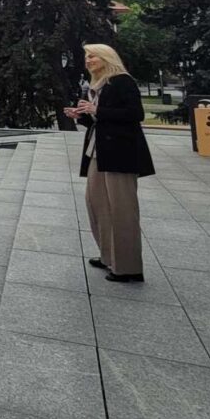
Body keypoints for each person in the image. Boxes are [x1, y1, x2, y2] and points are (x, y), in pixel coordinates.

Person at [67, 43, 155, 284]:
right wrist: (82, 115)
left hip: (120, 153)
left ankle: (128, 267)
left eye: (93, 56)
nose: (88, 60)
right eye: (86, 56)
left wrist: (98, 109)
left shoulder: (122, 81)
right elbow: (98, 119)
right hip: (98, 152)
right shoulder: (96, 85)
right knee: (97, 204)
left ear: (107, 58)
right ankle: (108, 255)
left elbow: (135, 114)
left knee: (122, 209)